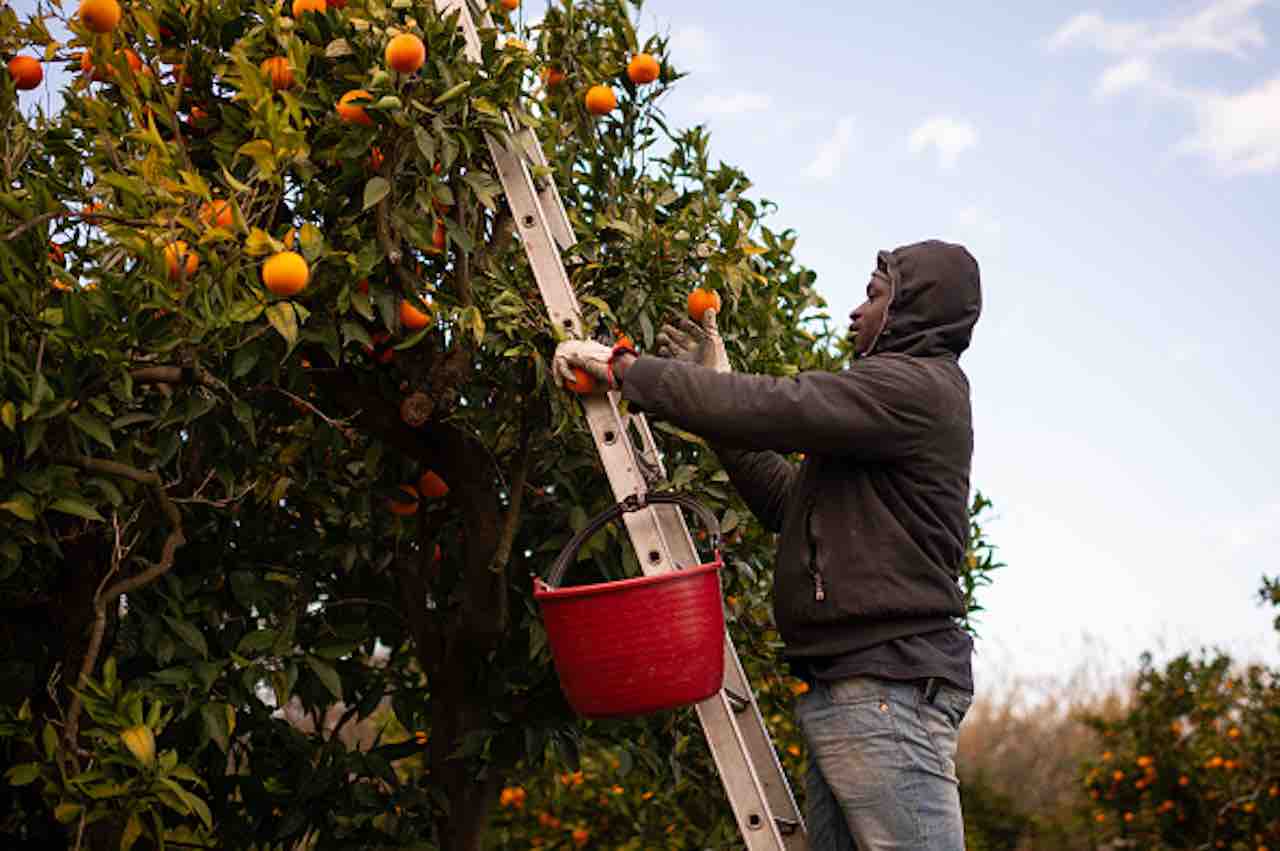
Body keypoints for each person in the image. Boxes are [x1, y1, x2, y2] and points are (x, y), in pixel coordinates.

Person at [553, 239, 982, 851]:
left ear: (913, 308)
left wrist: (629, 371)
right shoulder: (879, 415)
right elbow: (787, 504)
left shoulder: (917, 387)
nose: (856, 313)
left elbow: (782, 406)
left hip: (887, 688)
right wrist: (716, 403)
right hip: (854, 689)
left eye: (874, 295)